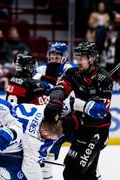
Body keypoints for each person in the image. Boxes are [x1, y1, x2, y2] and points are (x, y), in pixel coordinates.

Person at [44, 41, 113, 180]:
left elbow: (101, 111)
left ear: (92, 59)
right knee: (82, 174)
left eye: (82, 58)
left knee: (73, 174)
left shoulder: (104, 79)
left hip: (97, 132)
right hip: (80, 129)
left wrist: (76, 104)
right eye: (77, 58)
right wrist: (56, 101)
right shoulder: (73, 73)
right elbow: (60, 88)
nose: (78, 61)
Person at [0, 97, 68, 180]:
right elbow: (30, 166)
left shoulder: (44, 110)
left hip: (2, 129)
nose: (47, 141)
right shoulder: (32, 139)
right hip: (2, 145)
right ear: (45, 131)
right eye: (48, 138)